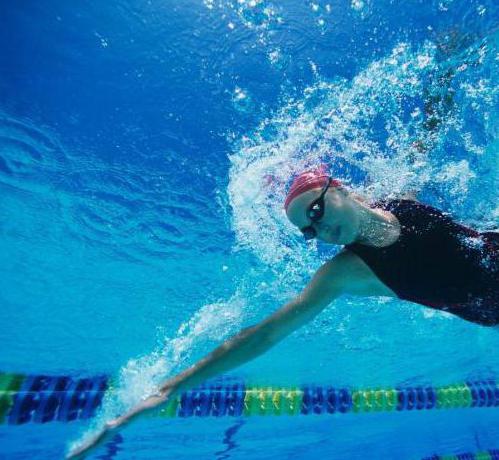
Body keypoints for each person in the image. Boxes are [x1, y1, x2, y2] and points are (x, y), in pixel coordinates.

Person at [67, 167, 498, 459]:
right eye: (309, 230)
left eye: (316, 210)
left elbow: (422, 145)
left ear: (339, 187)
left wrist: (441, 83)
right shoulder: (345, 273)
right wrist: (168, 391)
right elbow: (265, 334)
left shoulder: (399, 200)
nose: (321, 229)